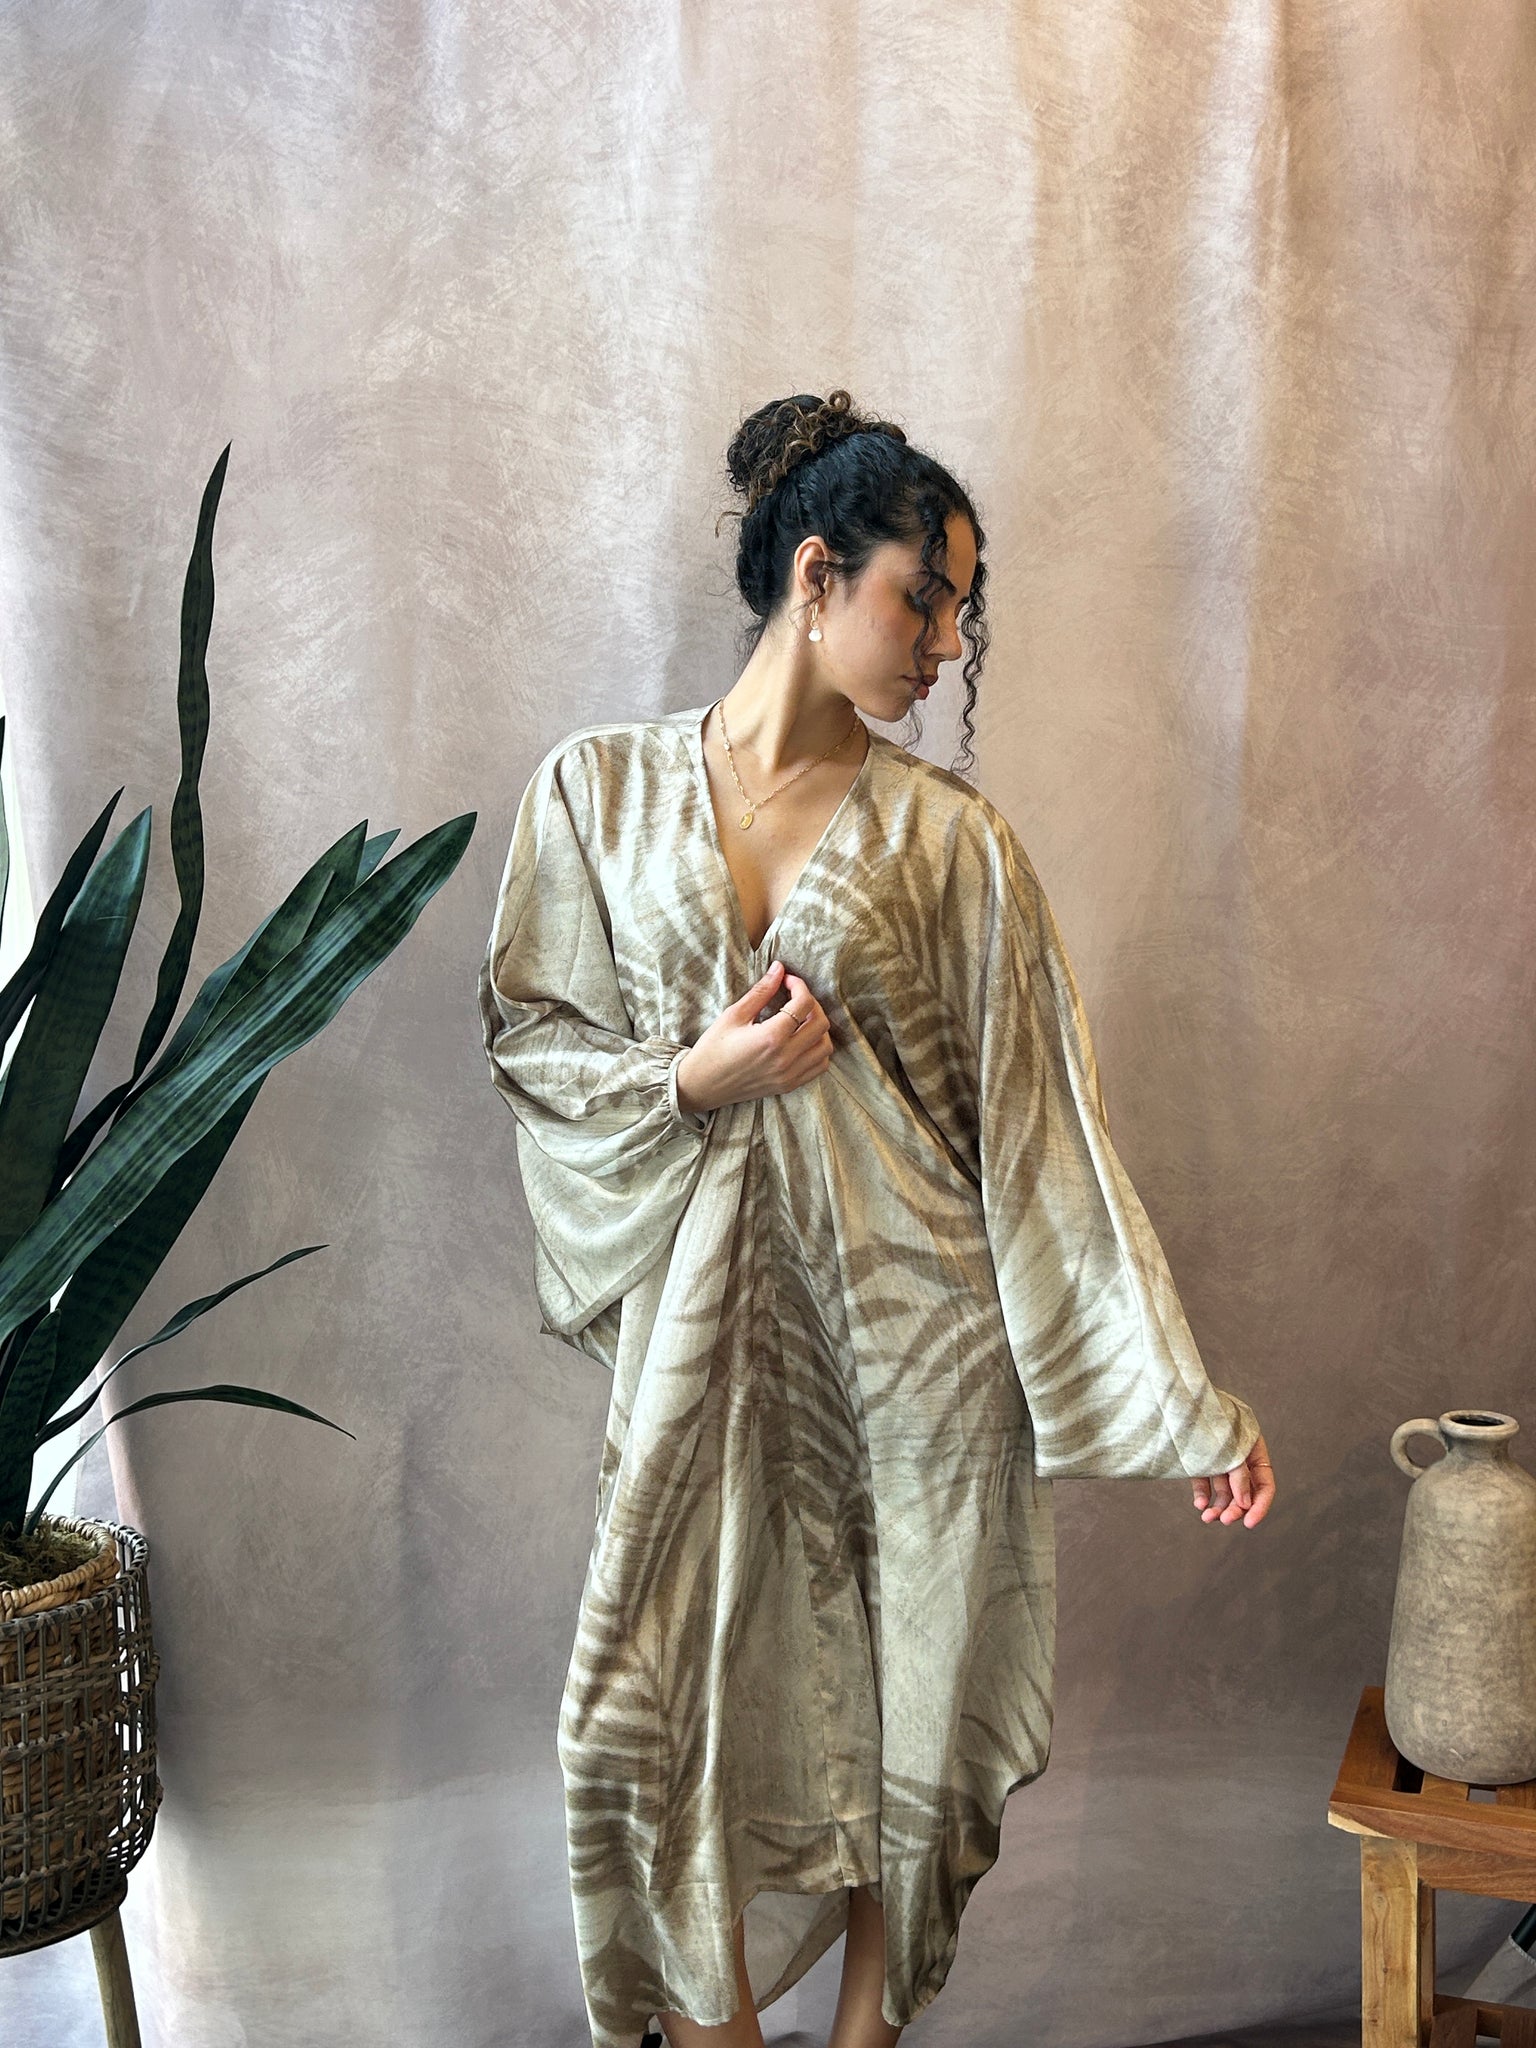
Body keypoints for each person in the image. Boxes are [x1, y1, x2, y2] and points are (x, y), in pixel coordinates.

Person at [478, 389, 1277, 2048]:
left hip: (923, 1362)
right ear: (818, 575)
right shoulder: (594, 794)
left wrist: (1179, 1396)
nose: (948, 643)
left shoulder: (952, 844)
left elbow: (1047, 1138)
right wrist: (693, 1078)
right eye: (927, 598)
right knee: (642, 1733)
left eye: (960, 610)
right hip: (707, 1372)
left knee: (904, 1726)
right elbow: (536, 1046)